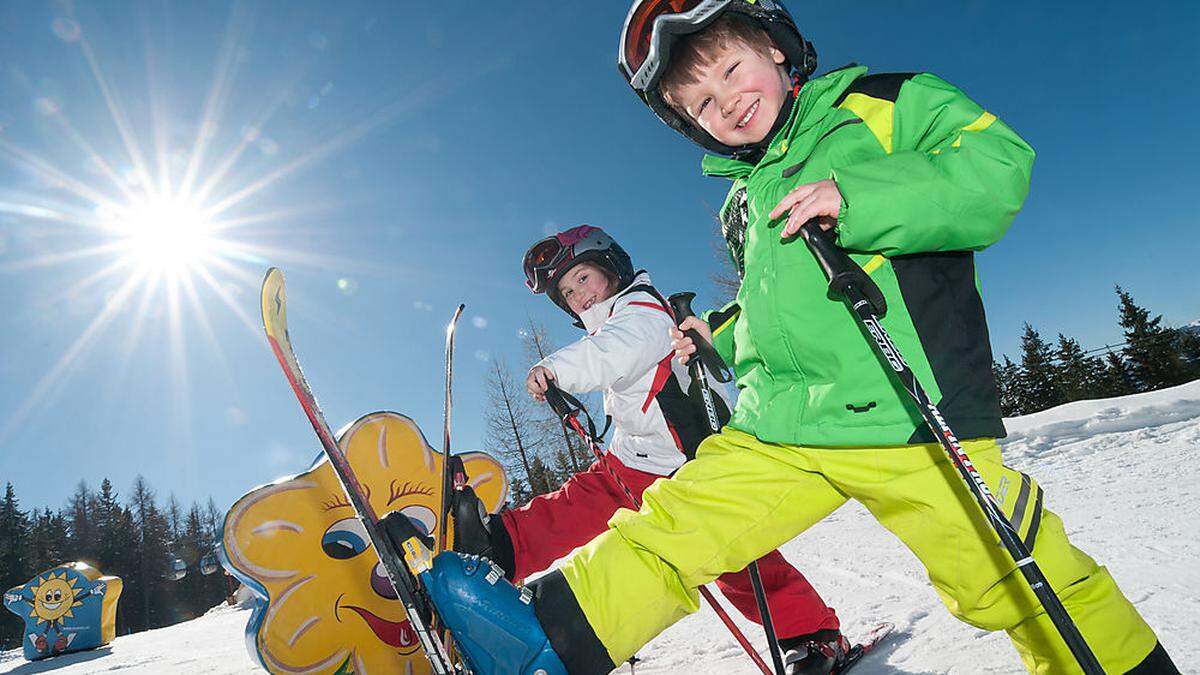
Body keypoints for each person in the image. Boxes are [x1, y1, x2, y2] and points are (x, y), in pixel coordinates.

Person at [401, 2, 1180, 673]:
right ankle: (546, 640)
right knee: (675, 526)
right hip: (780, 426)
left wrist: (857, 195)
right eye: (700, 103)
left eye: (732, 70)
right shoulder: (743, 199)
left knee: (1014, 580)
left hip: (906, 414)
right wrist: (719, 334)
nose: (725, 104)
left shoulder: (882, 104)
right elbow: (773, 306)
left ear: (774, 44)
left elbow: (998, 166)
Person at [451, 224, 848, 672]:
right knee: (575, 505)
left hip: (683, 462)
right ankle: (499, 545)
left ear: (611, 267)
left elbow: (615, 354)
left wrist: (553, 369)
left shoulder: (643, 309)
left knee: (736, 560)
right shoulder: (605, 327)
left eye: (583, 278)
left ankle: (814, 636)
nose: (579, 295)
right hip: (635, 458)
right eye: (567, 291)